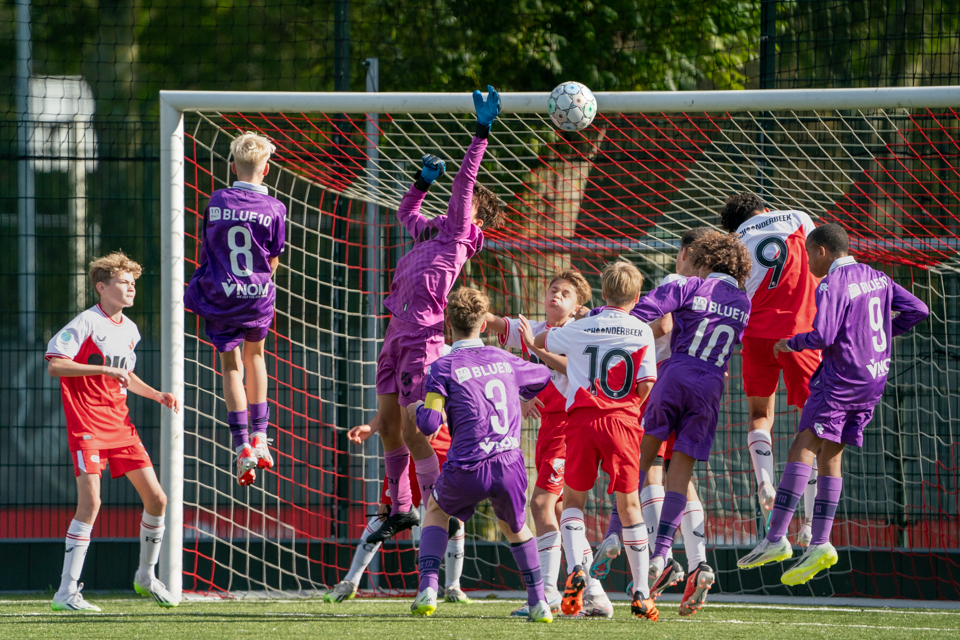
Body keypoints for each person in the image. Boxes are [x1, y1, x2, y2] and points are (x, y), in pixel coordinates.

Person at [737, 223, 928, 584]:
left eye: (809, 254)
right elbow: (918, 309)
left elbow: (823, 335)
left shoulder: (831, 283)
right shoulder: (877, 276)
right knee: (831, 453)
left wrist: (791, 343)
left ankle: (775, 538)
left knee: (802, 444)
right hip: (873, 379)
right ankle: (820, 542)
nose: (808, 262)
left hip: (841, 379)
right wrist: (879, 335)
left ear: (822, 251)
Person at [370, 87, 507, 544]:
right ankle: (401, 508)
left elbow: (465, 182)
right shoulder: (430, 232)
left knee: (416, 429)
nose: (455, 201)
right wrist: (420, 182)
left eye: (465, 204)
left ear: (474, 220)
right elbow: (406, 210)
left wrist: (481, 132)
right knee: (390, 426)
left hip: (422, 336)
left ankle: (436, 505)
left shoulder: (458, 236)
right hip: (395, 332)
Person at [406, 288, 553, 621]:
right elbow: (543, 375)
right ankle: (539, 602)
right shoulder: (504, 359)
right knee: (516, 528)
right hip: (509, 463)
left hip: (468, 465)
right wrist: (522, 394)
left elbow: (429, 424)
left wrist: (417, 408)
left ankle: (428, 588)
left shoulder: (442, 367)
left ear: (449, 324)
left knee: (436, 510)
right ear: (483, 325)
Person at [45, 252, 181, 611]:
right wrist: (102, 371)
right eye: (123, 282)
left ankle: (146, 576)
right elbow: (56, 365)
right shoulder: (87, 322)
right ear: (102, 287)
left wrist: (156, 394)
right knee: (91, 503)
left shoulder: (131, 329)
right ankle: (66, 593)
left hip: (121, 426)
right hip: (88, 424)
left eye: (133, 282)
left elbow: (125, 374)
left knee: (157, 500)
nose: (131, 287)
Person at [630, 232, 752, 617]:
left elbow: (652, 316)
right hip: (711, 384)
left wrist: (606, 322)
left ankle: (643, 548)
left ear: (696, 256)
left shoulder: (685, 283)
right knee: (681, 475)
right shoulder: (743, 301)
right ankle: (681, 557)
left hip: (670, 376)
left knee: (645, 463)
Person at [533, 262, 659, 621]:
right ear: (636, 297)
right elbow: (647, 385)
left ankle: (576, 568)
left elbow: (541, 341)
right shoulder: (642, 330)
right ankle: (641, 593)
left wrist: (569, 327)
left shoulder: (580, 326)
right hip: (623, 422)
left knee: (573, 502)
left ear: (603, 293)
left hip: (582, 420)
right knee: (630, 506)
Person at [591, 228, 710, 596]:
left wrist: (601, 321)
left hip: (660, 382)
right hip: (701, 384)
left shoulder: (676, 284)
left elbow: (660, 324)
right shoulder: (715, 292)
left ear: (685, 253)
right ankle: (698, 563)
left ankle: (662, 558)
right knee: (682, 476)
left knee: (650, 469)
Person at [484, 269, 592, 615]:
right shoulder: (535, 328)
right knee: (558, 511)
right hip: (548, 428)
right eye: (553, 289)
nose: (556, 295)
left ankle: (546, 594)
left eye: (565, 293)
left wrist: (535, 348)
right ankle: (596, 594)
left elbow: (571, 369)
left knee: (541, 504)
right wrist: (465, 306)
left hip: (569, 428)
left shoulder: (579, 333)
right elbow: (494, 323)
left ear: (577, 306)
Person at [183, 132, 286, 486]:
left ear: (232, 166)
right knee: (255, 356)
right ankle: (260, 435)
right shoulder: (275, 208)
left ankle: (241, 445)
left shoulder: (216, 200)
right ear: (266, 169)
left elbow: (209, 247)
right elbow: (273, 259)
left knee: (231, 366)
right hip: (256, 296)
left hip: (221, 296)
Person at [719, 192, 821, 541]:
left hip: (756, 334)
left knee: (760, 414)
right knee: (813, 424)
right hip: (799, 332)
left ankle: (764, 482)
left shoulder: (735, 241)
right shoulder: (798, 217)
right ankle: (810, 523)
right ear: (764, 208)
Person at [325, 399, 470, 604]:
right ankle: (350, 581)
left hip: (443, 451)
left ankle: (453, 586)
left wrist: (435, 419)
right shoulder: (400, 376)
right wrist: (373, 426)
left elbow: (454, 398)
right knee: (386, 513)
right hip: (406, 451)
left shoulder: (443, 376)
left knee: (453, 516)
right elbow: (392, 400)